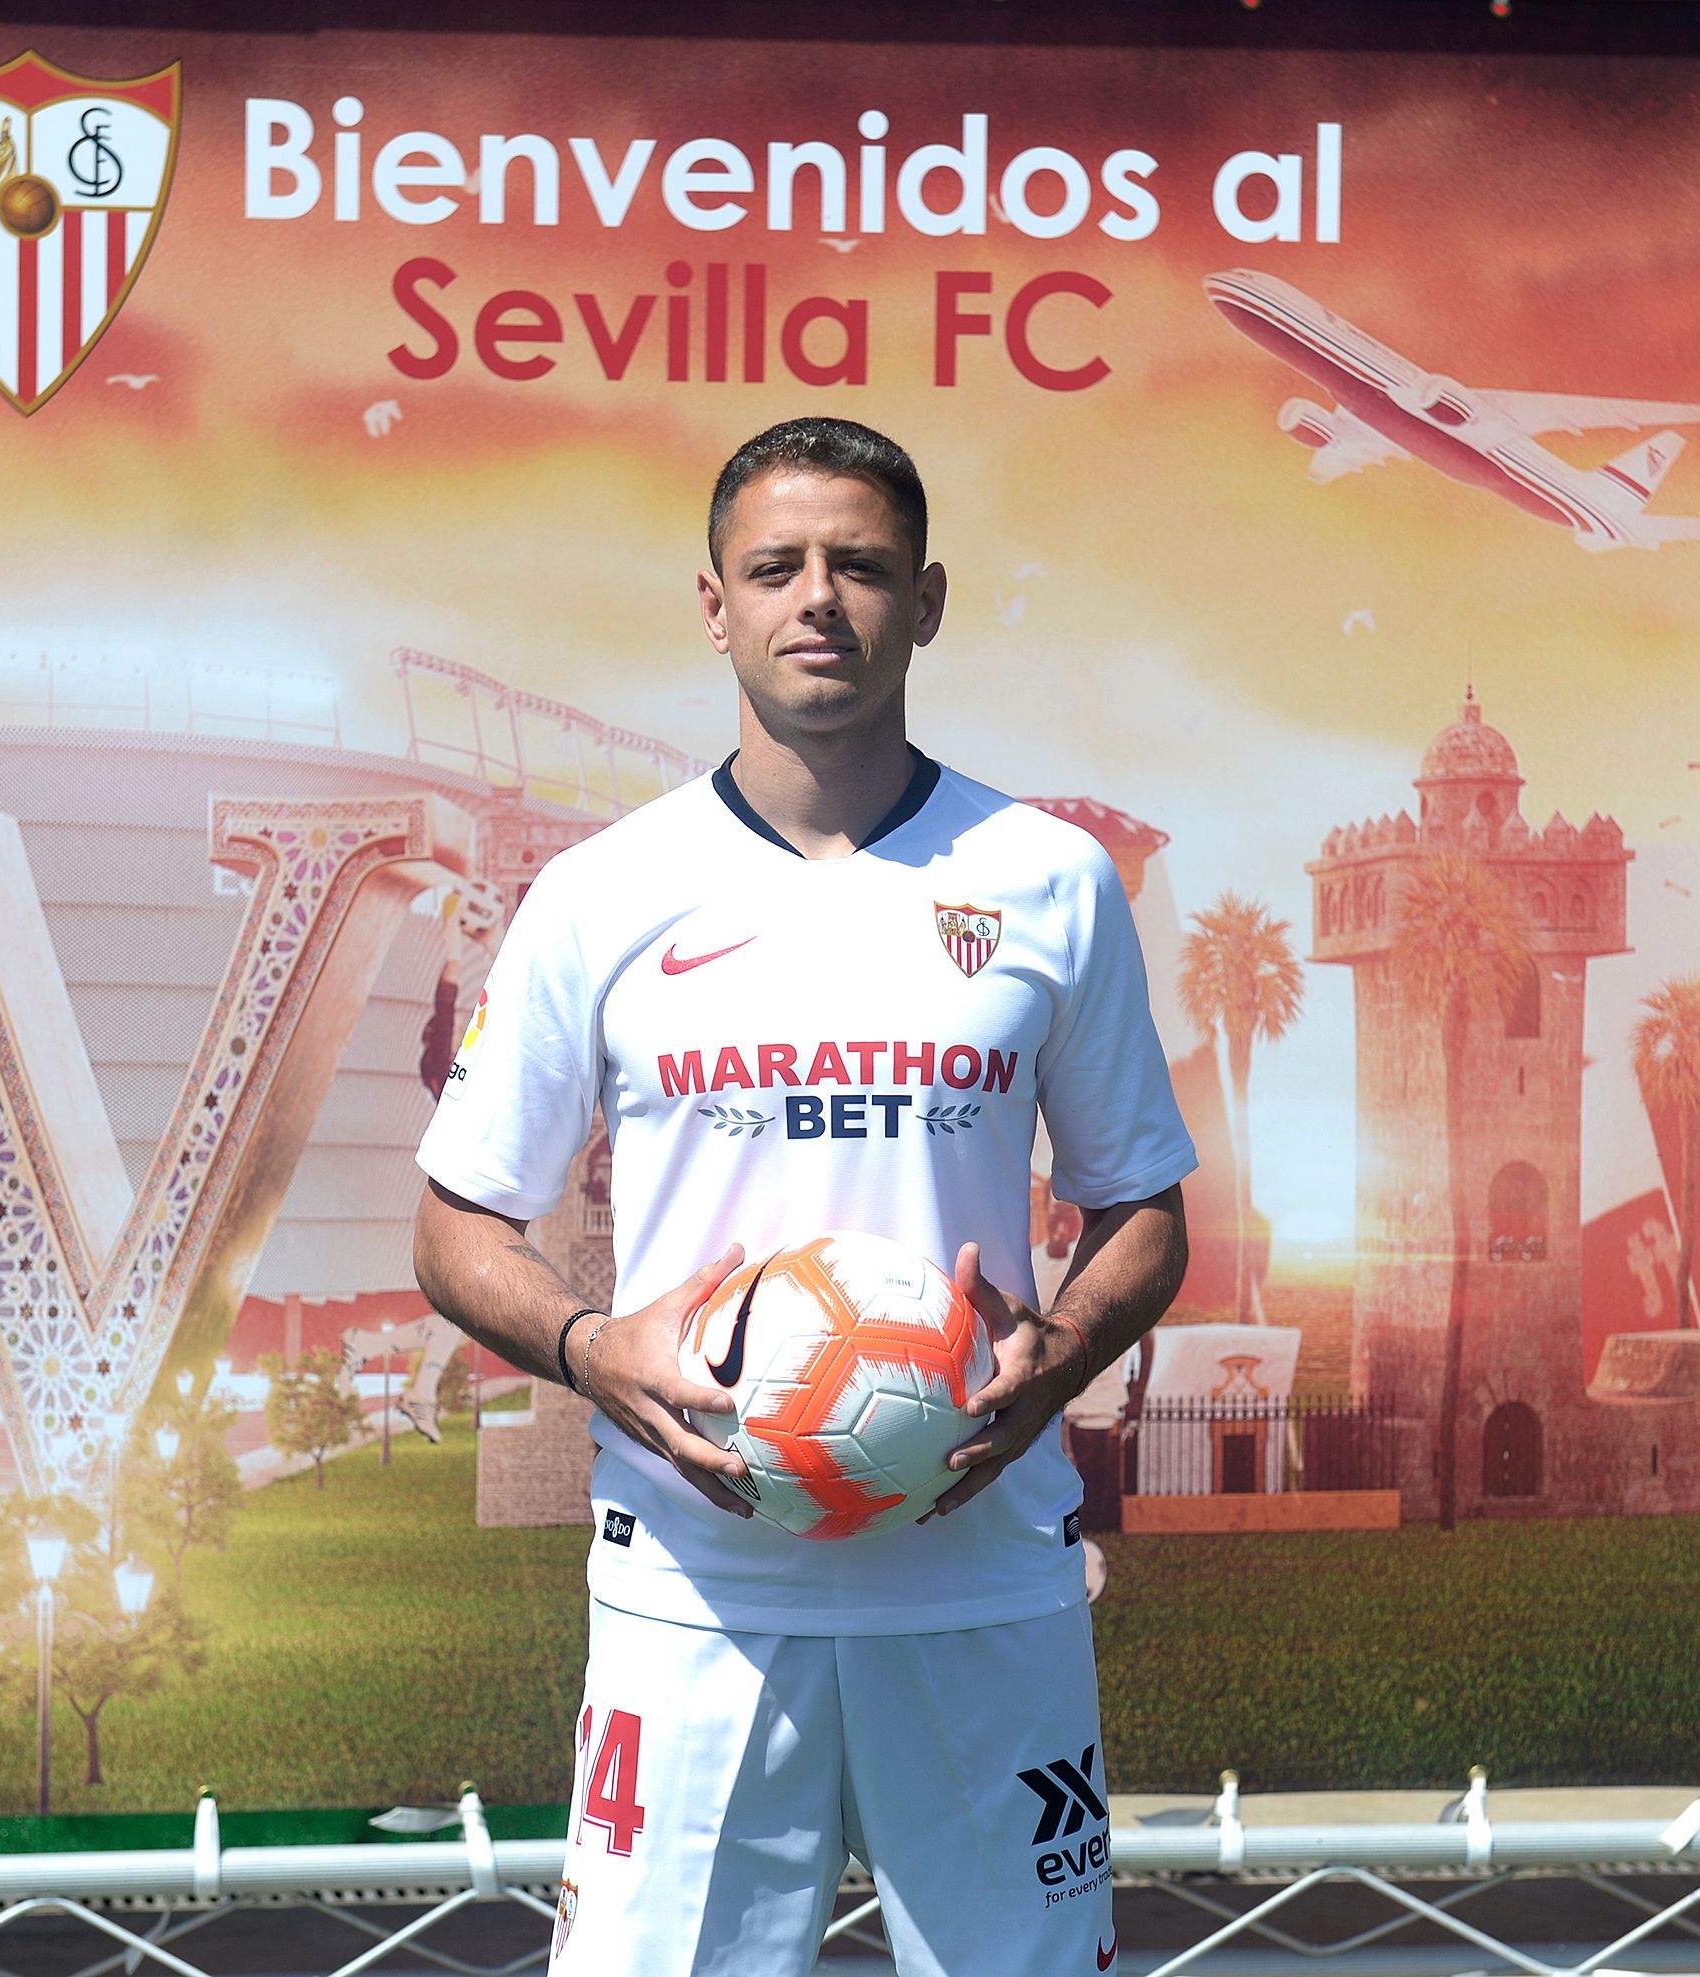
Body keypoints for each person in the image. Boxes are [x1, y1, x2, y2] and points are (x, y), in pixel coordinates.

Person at [412, 416, 1196, 1975]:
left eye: (862, 566)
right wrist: (589, 1346)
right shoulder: (600, 895)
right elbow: (452, 1226)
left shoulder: (1048, 878)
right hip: (695, 1592)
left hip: (982, 1575)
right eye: (776, 567)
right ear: (716, 603)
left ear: (929, 600)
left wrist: (1059, 1360)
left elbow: (1148, 1213)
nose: (818, 599)